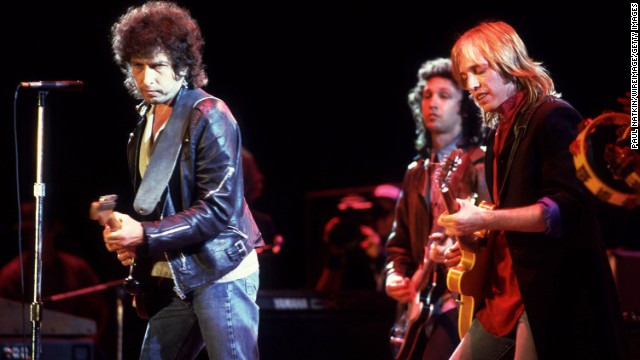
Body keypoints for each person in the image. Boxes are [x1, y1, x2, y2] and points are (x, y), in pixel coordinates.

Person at [437, 21, 629, 359]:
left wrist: (483, 218)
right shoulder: (498, 133)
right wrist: (472, 241)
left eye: (479, 70)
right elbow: (506, 215)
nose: (471, 85)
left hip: (547, 290)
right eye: (465, 77)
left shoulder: (553, 116)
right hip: (505, 290)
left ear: (508, 61)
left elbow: (559, 210)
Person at [102, 2, 263, 359]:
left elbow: (217, 210)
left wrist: (146, 235)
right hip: (179, 274)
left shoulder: (210, 115)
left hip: (221, 271)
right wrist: (135, 242)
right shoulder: (142, 127)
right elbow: (166, 208)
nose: (147, 79)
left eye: (158, 66)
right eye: (138, 67)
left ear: (183, 66)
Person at [384, 57, 489, 360]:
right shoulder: (415, 172)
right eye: (427, 95)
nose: (432, 103)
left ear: (464, 108)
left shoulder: (480, 164)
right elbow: (399, 244)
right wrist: (395, 276)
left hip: (461, 297)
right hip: (421, 298)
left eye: (444, 96)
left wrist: (457, 248)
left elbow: (490, 233)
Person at [0, 201, 109, 348]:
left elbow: (100, 311)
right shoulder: (11, 274)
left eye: (37, 231)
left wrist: (87, 346)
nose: (32, 238)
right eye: (28, 232)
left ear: (54, 229)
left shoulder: (77, 268)